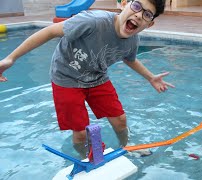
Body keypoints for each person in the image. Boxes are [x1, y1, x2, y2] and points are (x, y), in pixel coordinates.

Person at [0, 0, 174, 157]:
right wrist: (11, 58)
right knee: (81, 132)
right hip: (66, 78)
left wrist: (150, 77)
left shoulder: (132, 41)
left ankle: (127, 145)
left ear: (149, 24)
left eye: (146, 14)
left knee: (120, 119)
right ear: (123, 4)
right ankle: (85, 158)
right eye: (136, 6)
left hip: (97, 77)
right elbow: (50, 31)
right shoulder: (93, 21)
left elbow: (130, 59)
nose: (138, 14)